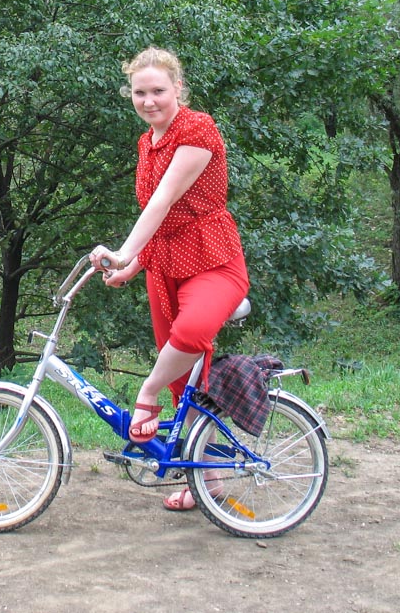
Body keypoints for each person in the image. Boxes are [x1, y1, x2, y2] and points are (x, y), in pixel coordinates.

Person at [89, 46, 249, 512]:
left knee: (191, 333)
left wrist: (124, 251)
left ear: (178, 88)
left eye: (158, 90)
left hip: (212, 259)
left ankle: (146, 393)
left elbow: (163, 201)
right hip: (164, 269)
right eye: (139, 93)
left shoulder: (197, 128)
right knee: (186, 384)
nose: (148, 100)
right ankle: (207, 482)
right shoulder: (148, 143)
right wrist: (134, 265)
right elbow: (161, 222)